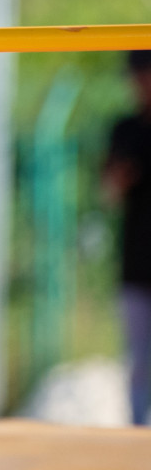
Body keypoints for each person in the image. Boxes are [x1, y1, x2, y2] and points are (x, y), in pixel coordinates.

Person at [104, 50, 151, 425]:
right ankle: (138, 437)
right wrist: (120, 180)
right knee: (139, 360)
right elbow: (108, 192)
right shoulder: (126, 130)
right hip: (137, 263)